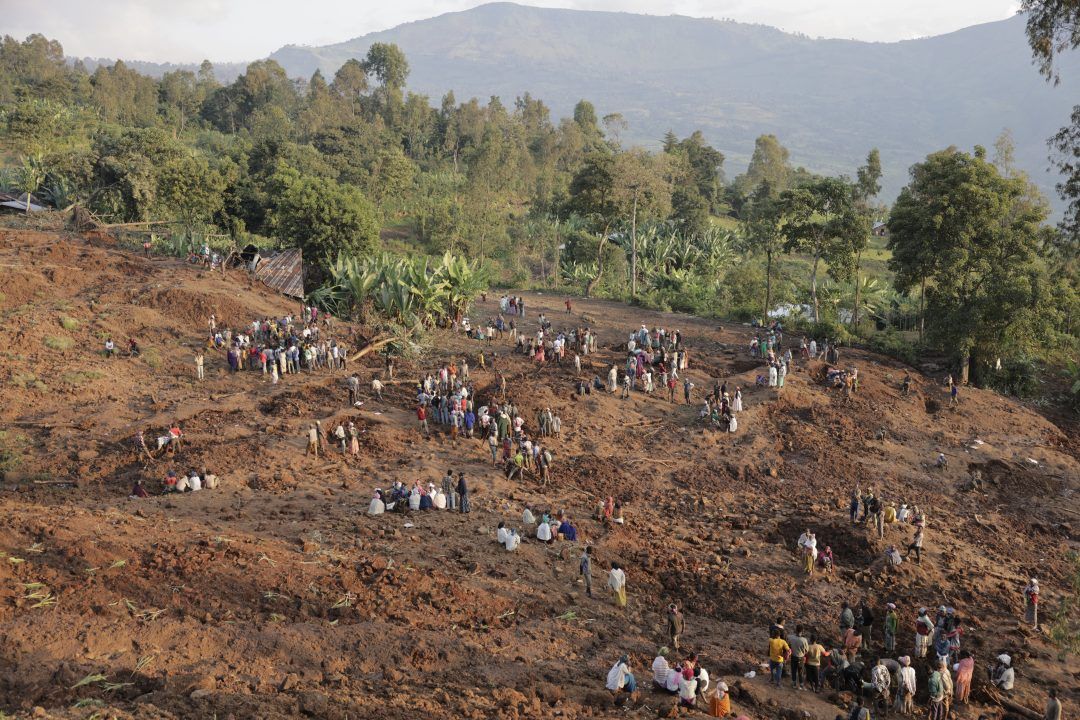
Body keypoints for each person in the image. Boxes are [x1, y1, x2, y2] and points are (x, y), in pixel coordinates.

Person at [788, 624, 809, 690]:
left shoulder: (791, 637)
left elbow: (789, 646)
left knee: (793, 670)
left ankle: (794, 683)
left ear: (796, 630)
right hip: (801, 657)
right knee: (800, 671)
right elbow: (807, 650)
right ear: (802, 631)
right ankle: (801, 685)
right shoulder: (804, 640)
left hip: (793, 656)